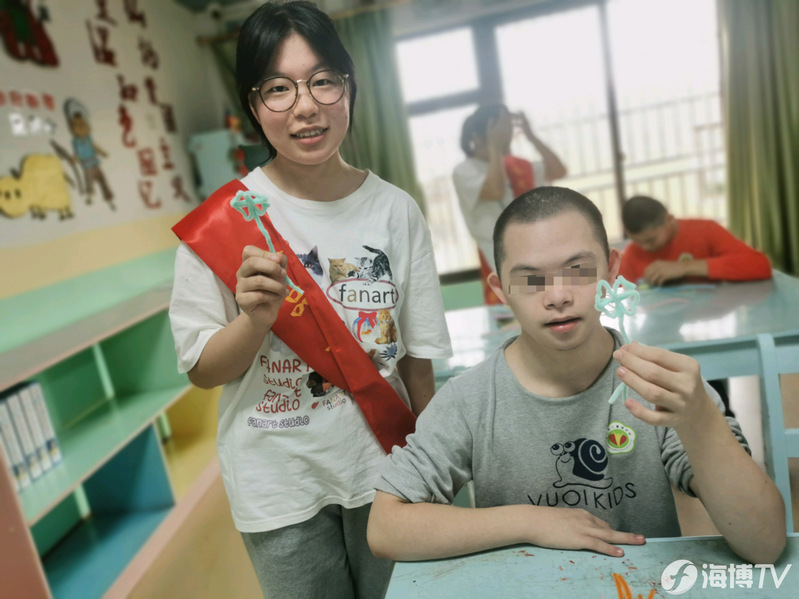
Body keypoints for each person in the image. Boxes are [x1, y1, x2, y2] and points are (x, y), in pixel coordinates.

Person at [168, 2, 451, 598]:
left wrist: (435, 468)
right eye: (278, 88)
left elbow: (417, 357)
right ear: (253, 106)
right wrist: (253, 321)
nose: (305, 106)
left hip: (387, 469)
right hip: (278, 485)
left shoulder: (395, 210)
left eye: (323, 80)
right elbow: (201, 370)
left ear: (350, 85)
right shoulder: (223, 223)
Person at [367, 187, 786, 565]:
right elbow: (386, 527)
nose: (557, 296)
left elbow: (764, 544)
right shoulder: (470, 399)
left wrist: (700, 419)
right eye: (530, 279)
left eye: (578, 270)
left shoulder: (659, 384)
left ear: (611, 269)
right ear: (500, 290)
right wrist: (530, 521)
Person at [452, 104, 566, 304]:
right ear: (479, 136)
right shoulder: (464, 171)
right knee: (515, 309)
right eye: (501, 128)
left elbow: (558, 171)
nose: (507, 134)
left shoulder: (515, 165)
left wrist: (531, 136)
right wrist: (494, 148)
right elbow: (495, 190)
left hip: (534, 247)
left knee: (548, 303)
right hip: (497, 254)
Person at [619, 195, 772, 287]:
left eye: (651, 240)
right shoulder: (632, 254)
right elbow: (616, 297)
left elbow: (760, 265)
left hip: (713, 319)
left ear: (669, 219)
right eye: (636, 241)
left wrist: (685, 267)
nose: (644, 248)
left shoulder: (706, 230)